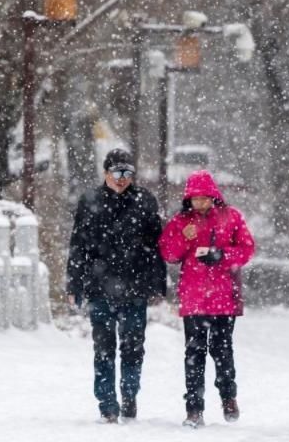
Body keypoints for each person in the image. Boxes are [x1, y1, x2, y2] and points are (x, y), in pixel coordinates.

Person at [66, 148, 166, 424]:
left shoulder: (145, 201)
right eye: (117, 172)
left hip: (135, 286)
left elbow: (156, 245)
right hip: (99, 287)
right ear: (106, 173)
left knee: (134, 347)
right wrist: (74, 282)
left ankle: (130, 394)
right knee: (104, 348)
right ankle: (107, 404)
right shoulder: (90, 201)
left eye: (128, 173)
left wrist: (158, 283)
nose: (123, 179)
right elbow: (78, 246)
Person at [158, 170, 255, 428]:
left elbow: (246, 249)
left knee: (222, 350)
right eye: (194, 199)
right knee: (194, 353)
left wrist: (221, 255)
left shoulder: (231, 217)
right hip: (194, 298)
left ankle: (228, 396)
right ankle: (194, 408)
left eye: (204, 198)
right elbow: (168, 253)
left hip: (224, 297)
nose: (199, 203)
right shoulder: (180, 222)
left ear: (214, 196)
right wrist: (183, 236)